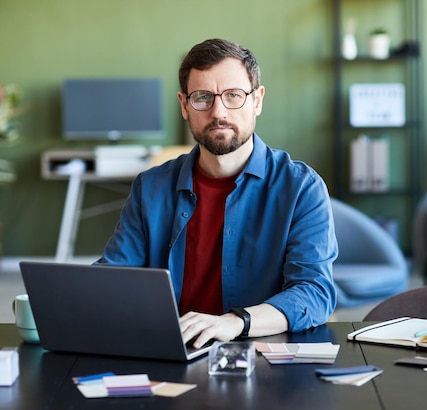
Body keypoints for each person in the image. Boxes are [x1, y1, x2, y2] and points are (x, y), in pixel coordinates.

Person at [95, 38, 338, 347]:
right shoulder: (150, 188)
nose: (218, 111)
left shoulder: (301, 187)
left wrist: (236, 322)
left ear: (257, 100)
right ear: (184, 105)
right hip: (173, 354)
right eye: (202, 97)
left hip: (262, 359)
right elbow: (112, 279)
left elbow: (314, 294)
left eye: (233, 95)